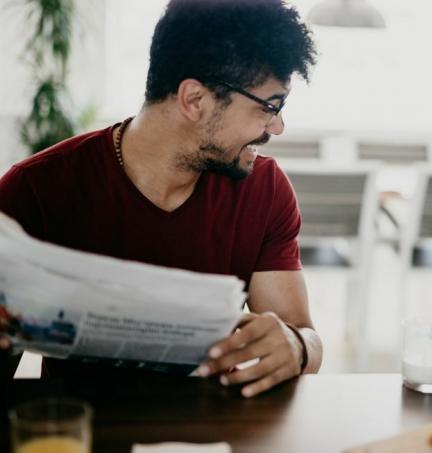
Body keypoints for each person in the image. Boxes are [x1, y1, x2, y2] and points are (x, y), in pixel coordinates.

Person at [0, 0, 321, 397]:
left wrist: (298, 347)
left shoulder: (265, 188)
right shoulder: (36, 189)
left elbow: (302, 332)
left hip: (214, 433)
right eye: (270, 106)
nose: (278, 126)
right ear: (194, 100)